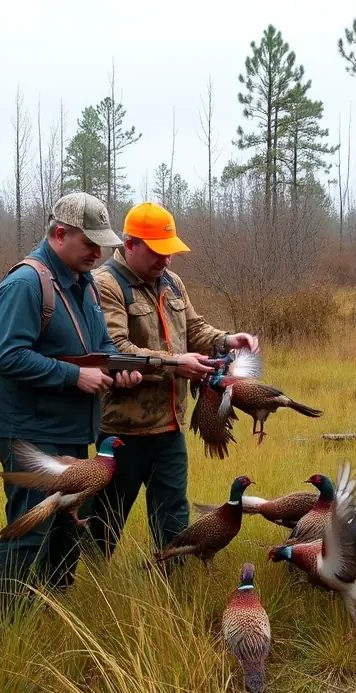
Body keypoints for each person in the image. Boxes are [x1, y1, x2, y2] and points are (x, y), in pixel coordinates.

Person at [0, 192, 142, 609]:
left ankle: (54, 614)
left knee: (65, 530)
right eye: (90, 243)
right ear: (59, 234)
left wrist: (118, 370)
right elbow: (7, 357)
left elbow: (102, 345)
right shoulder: (25, 283)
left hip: (74, 434)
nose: (98, 252)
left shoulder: (84, 283)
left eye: (102, 245)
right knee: (31, 530)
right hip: (33, 436)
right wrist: (74, 376)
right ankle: (9, 624)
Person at [90, 201, 259, 560]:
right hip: (123, 431)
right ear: (130, 244)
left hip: (170, 427)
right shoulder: (105, 285)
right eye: (156, 252)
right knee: (105, 520)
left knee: (173, 520)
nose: (165, 260)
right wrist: (175, 365)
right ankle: (91, 585)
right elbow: (115, 347)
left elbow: (194, 329)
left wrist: (227, 339)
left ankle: (172, 584)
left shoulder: (173, 283)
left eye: (170, 252)